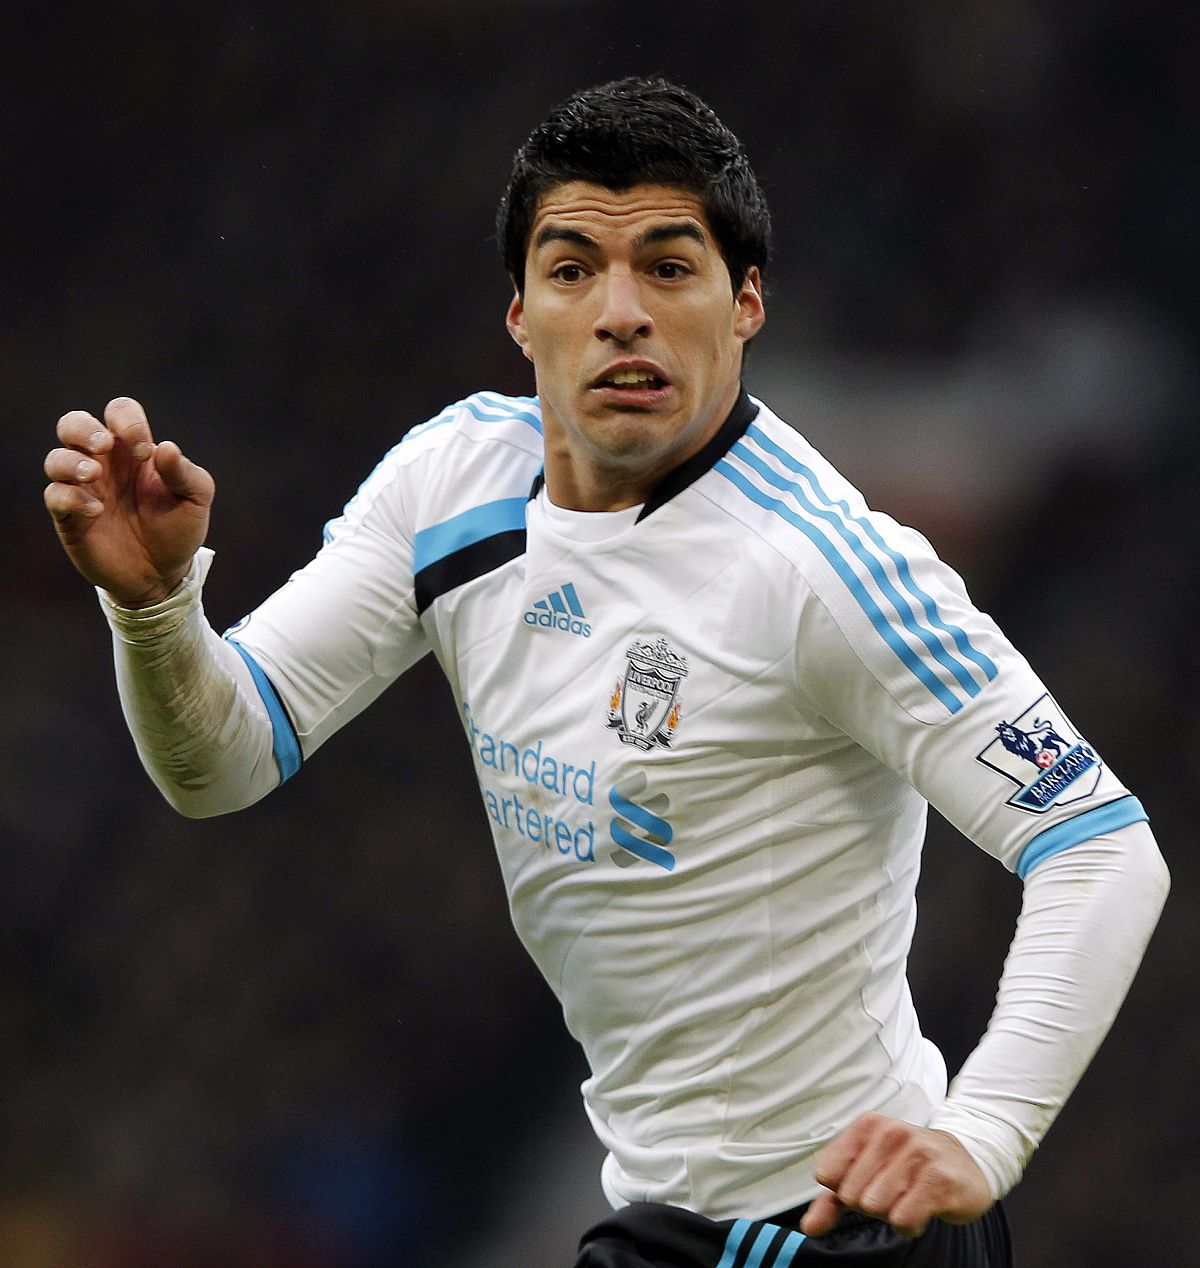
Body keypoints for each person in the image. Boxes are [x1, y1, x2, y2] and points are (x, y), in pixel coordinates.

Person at [43, 78, 1168, 1267]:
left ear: (745, 304)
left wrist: (984, 1131)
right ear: (522, 314)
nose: (622, 312)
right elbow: (222, 761)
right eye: (574, 269)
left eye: (669, 268)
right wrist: (154, 609)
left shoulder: (821, 568)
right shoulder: (449, 485)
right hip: (667, 1216)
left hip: (837, 1228)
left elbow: (1100, 843)